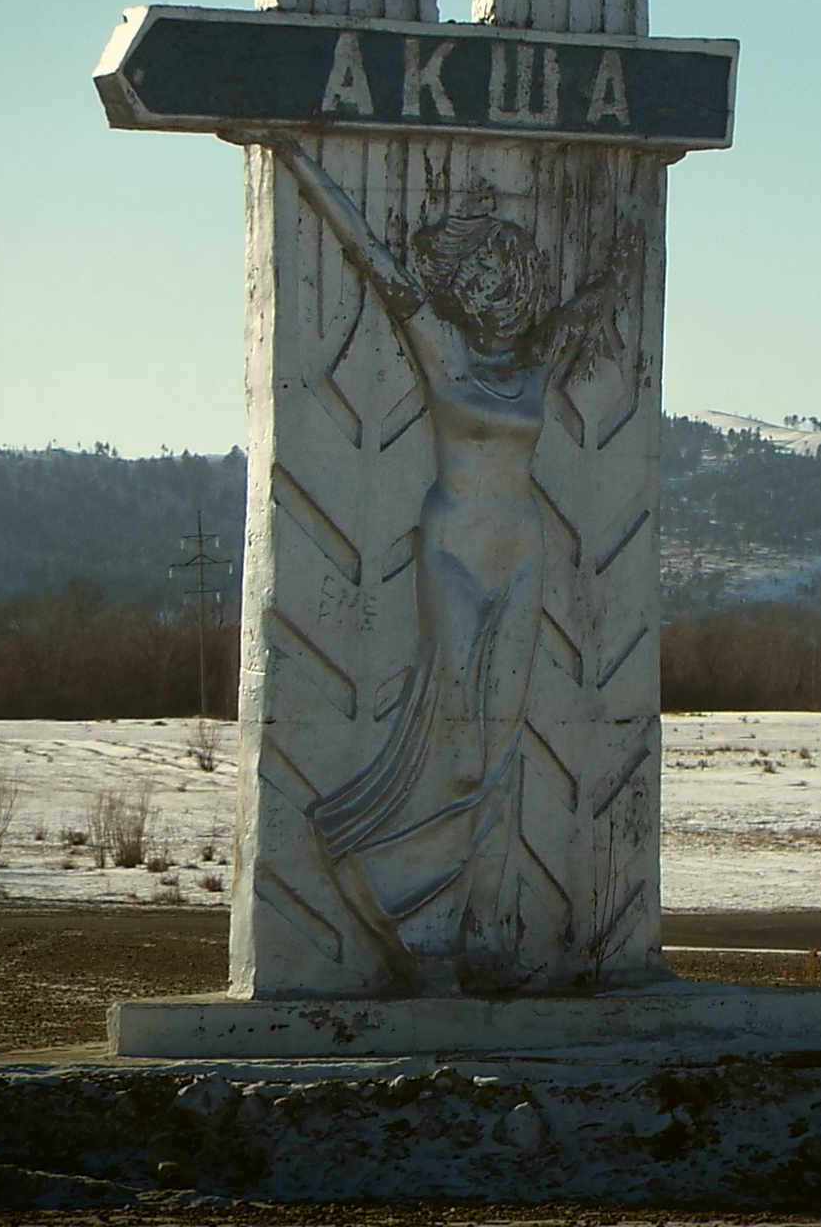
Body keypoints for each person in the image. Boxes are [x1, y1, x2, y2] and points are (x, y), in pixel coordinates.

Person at [245, 132, 640, 991]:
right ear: (459, 292)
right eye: (480, 279)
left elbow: (595, 303)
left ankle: (481, 934)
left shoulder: (536, 358)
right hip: (455, 544)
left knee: (499, 747)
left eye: (507, 276)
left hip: (522, 547)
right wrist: (298, 159)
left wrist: (630, 226)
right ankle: (390, 882)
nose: (496, 290)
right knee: (458, 730)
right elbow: (369, 251)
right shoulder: (440, 346)